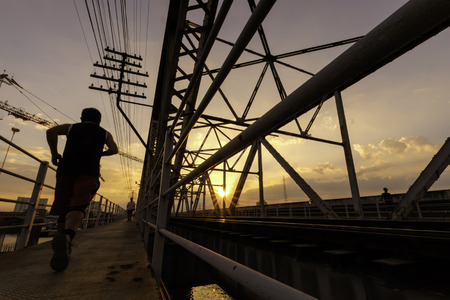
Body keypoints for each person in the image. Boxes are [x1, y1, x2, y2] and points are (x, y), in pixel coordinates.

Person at [46, 107, 118, 272]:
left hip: (66, 170)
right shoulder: (105, 133)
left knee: (63, 209)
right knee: (78, 205)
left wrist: (54, 153)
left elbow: (50, 132)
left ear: (81, 118)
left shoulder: (71, 127)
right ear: (99, 121)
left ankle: (60, 238)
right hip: (89, 172)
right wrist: (100, 154)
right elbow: (114, 150)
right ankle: (68, 237)